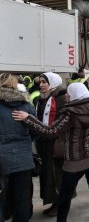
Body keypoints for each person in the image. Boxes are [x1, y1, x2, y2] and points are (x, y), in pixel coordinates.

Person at [12, 68, 89, 222]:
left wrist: (28, 118)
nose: (67, 95)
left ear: (75, 95)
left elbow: (50, 131)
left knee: (64, 196)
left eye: (70, 93)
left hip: (74, 162)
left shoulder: (70, 114)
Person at [0, 73, 36, 221]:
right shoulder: (27, 106)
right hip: (24, 161)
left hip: (2, 161)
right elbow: (36, 131)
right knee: (22, 199)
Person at [35, 72, 67, 216]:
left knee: (56, 175)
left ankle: (60, 203)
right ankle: (55, 202)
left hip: (55, 143)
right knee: (49, 174)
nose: (40, 85)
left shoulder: (60, 98)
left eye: (44, 82)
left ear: (52, 83)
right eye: (40, 82)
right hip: (45, 142)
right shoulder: (43, 98)